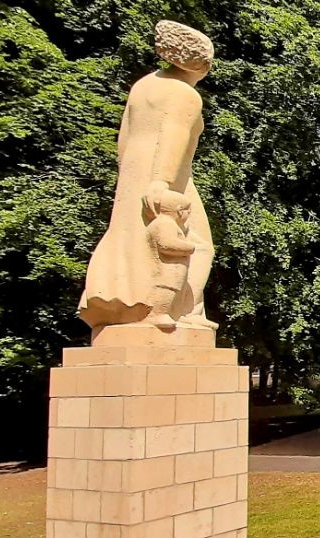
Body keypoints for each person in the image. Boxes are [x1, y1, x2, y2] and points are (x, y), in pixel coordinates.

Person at [79, 20, 217, 331]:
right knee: (198, 243)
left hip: (132, 173)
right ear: (202, 64)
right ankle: (185, 314)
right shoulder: (184, 93)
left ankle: (129, 303)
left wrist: (131, 175)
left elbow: (124, 138)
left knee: (130, 238)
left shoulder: (143, 86)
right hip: (166, 177)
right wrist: (161, 181)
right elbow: (174, 133)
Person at [144, 191, 195, 329]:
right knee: (166, 289)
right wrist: (189, 247)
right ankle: (158, 313)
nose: (188, 215)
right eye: (187, 211)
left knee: (174, 290)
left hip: (174, 269)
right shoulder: (165, 224)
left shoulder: (167, 224)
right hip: (166, 269)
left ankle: (174, 314)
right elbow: (166, 244)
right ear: (179, 210)